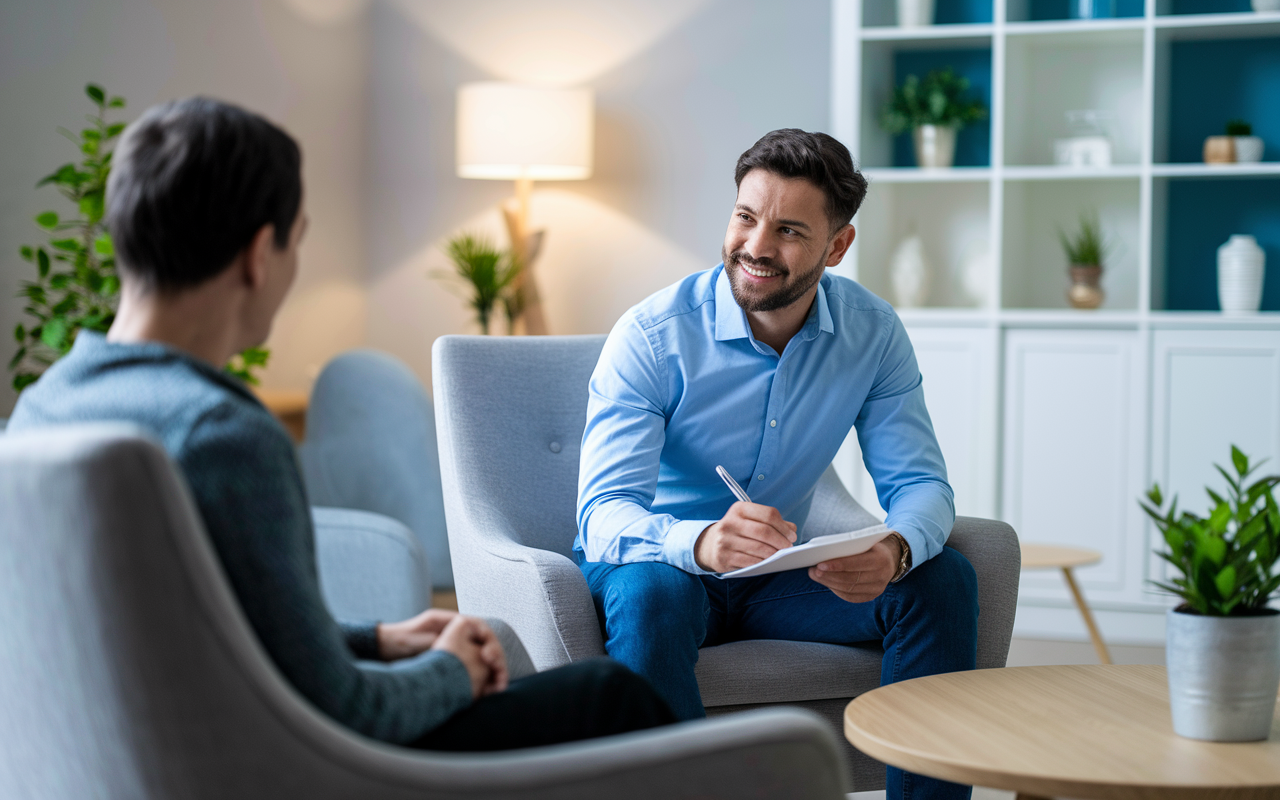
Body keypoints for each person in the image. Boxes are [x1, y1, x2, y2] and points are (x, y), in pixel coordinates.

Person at [8, 97, 674, 751]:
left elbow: (214, 629)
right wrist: (450, 670)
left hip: (150, 754)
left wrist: (377, 640)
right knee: (608, 694)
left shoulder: (40, 411)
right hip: (292, 773)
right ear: (259, 254)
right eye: (297, 240)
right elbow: (346, 712)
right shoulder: (219, 435)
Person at [575, 128, 978, 799]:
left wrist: (897, 549)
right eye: (745, 217)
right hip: (658, 565)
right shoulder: (652, 336)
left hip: (772, 578)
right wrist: (700, 541)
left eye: (789, 230)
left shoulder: (872, 336)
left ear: (837, 246)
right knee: (657, 594)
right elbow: (602, 516)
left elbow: (919, 483)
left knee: (942, 582)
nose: (757, 247)